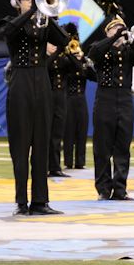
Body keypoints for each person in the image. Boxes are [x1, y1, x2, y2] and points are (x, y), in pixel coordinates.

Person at [0, 0, 69, 216]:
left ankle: (41, 201)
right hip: (20, 83)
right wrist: (29, 11)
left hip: (42, 81)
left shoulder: (43, 23)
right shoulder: (11, 20)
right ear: (19, 1)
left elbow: (63, 41)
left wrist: (48, 15)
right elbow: (8, 33)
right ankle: (21, 201)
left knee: (42, 142)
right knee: (20, 144)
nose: (32, 1)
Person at [88, 0, 134, 201]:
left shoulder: (129, 51)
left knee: (123, 145)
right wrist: (112, 37)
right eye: (114, 29)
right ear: (107, 31)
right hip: (104, 98)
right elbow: (94, 54)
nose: (119, 32)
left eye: (121, 29)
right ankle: (104, 189)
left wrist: (131, 40)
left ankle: (120, 188)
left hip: (124, 99)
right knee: (102, 146)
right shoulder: (100, 47)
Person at [62, 23, 93, 170]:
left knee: (82, 130)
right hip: (68, 99)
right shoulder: (66, 61)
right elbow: (70, 67)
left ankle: (80, 162)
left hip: (81, 99)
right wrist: (70, 54)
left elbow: (92, 75)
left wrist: (84, 60)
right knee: (68, 132)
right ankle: (68, 162)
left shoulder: (83, 63)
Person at [47, 36, 74, 178]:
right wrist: (56, 53)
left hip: (60, 98)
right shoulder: (42, 57)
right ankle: (44, 166)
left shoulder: (63, 58)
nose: (54, 46)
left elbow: (78, 68)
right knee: (45, 134)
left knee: (57, 134)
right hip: (47, 97)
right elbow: (47, 66)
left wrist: (69, 51)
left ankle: (55, 167)